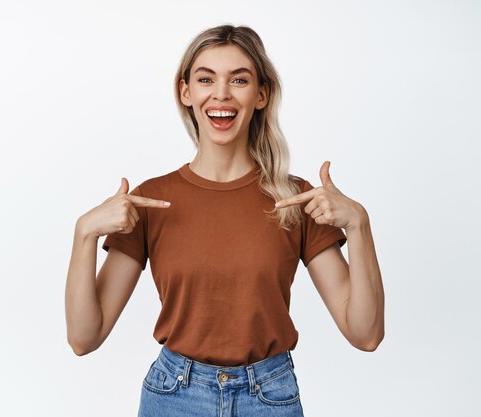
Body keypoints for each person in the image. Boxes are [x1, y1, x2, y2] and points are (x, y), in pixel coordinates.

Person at [65, 24, 385, 417]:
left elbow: (366, 334)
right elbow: (84, 338)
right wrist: (84, 235)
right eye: (205, 79)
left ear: (261, 94)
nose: (221, 94)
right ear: (186, 91)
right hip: (174, 396)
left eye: (239, 79)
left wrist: (359, 226)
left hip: (270, 397)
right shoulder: (152, 200)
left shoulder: (296, 199)